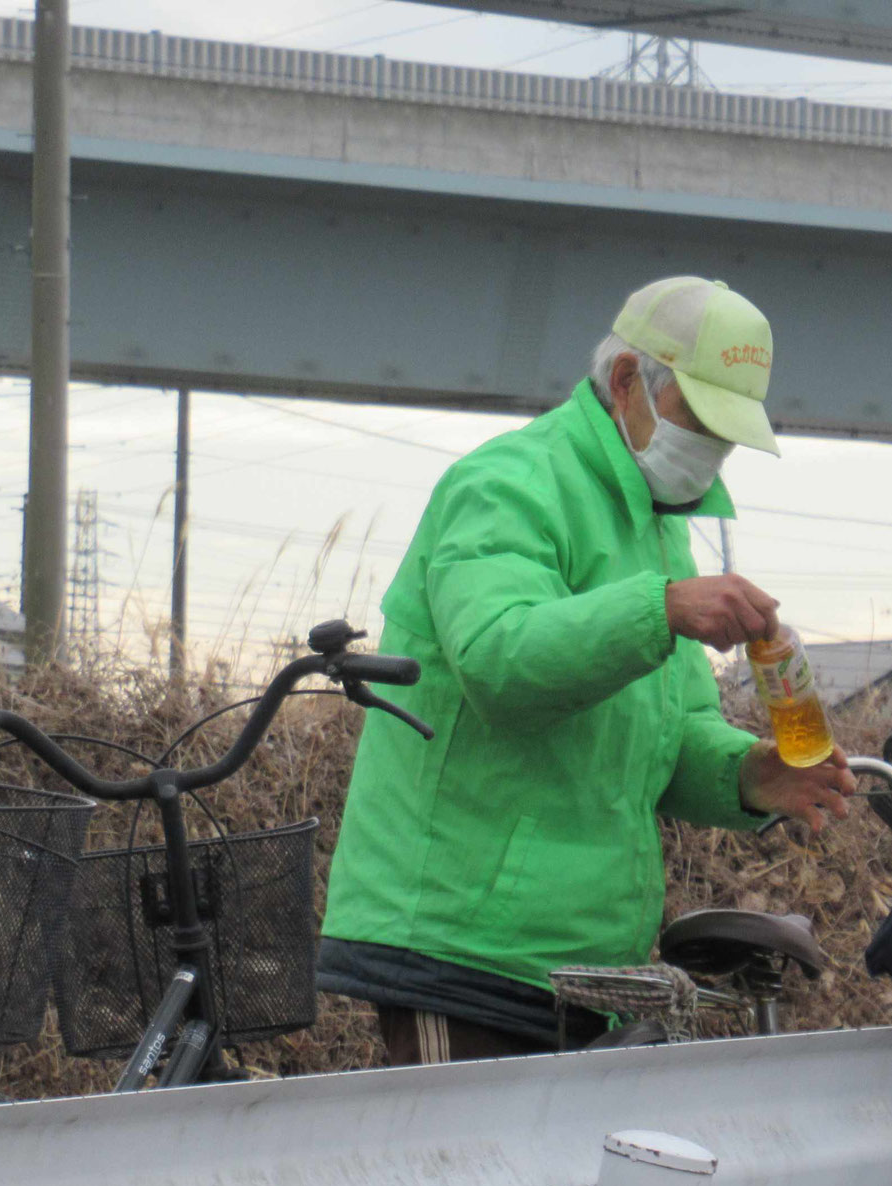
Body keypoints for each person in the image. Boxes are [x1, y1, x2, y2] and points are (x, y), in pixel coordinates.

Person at [319, 276, 855, 1066]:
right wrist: (662, 609)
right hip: (460, 950)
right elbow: (500, 659)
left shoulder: (658, 532)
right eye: (698, 420)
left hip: (583, 973)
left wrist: (750, 777)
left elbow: (671, 736)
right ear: (627, 381)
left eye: (727, 432)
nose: (711, 450)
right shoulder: (507, 485)